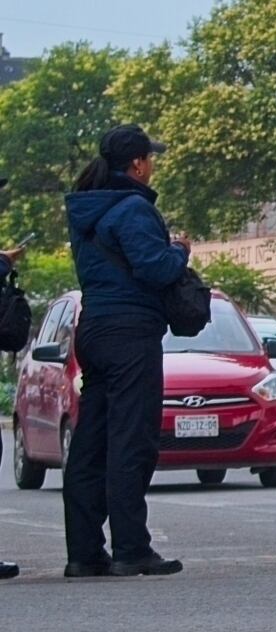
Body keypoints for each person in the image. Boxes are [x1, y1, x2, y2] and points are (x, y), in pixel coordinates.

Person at [61, 124, 189, 578]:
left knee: (91, 443)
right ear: (137, 164)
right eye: (149, 158)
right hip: (130, 332)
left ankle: (84, 553)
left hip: (94, 329)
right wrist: (180, 252)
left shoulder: (86, 208)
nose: (151, 165)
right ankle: (132, 548)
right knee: (131, 441)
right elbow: (154, 268)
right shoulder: (133, 208)